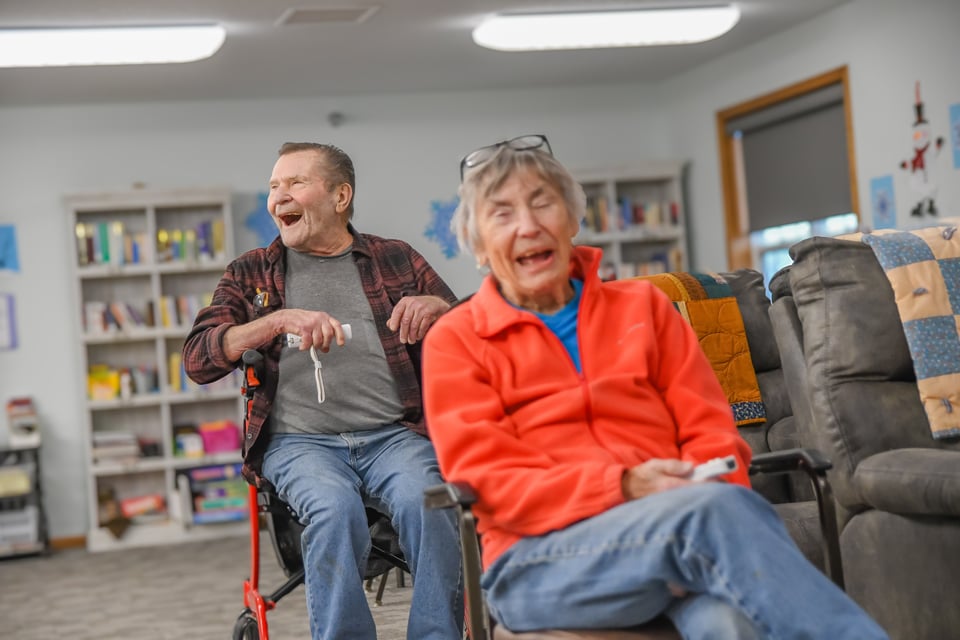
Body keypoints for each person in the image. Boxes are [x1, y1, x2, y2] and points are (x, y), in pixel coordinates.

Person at [421, 134, 890, 639]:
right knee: (711, 522)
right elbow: (488, 482)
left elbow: (711, 432)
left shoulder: (643, 308)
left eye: (543, 203)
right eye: (502, 214)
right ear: (476, 245)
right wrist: (623, 486)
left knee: (727, 620)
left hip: (677, 534)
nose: (529, 226)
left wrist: (703, 490)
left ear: (574, 219)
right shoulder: (457, 340)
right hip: (539, 564)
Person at [183, 142, 464, 640]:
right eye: (273, 186)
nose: (278, 196)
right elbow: (199, 358)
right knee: (334, 509)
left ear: (340, 196)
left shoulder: (394, 257)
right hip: (299, 442)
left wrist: (439, 309)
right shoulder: (250, 273)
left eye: (294, 183)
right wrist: (275, 322)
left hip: (393, 435)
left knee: (432, 500)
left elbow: (473, 332)